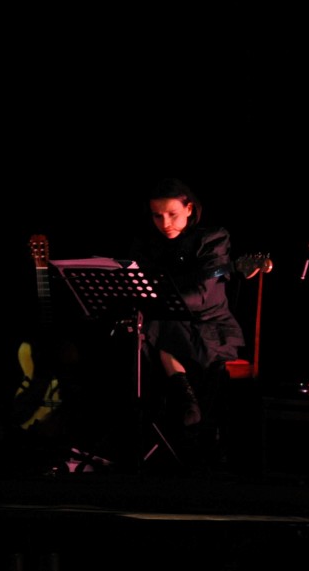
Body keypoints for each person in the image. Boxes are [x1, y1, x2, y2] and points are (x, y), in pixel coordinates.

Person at [129, 178, 245, 435]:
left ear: (189, 209)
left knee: (156, 326)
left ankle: (184, 402)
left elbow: (203, 297)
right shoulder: (149, 243)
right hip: (165, 322)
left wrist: (156, 298)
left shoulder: (212, 238)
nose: (165, 223)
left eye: (172, 214)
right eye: (157, 216)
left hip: (207, 326)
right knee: (141, 330)